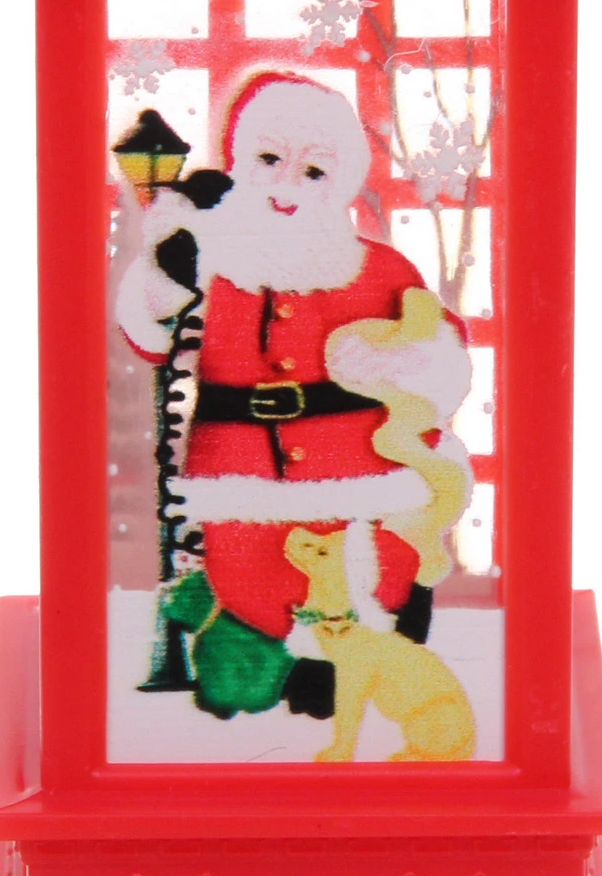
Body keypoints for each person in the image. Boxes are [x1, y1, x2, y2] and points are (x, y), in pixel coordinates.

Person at [116, 72, 471, 719]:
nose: (286, 186)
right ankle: (254, 644)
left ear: (340, 184)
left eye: (313, 172)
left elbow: (440, 354)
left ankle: (351, 654)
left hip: (361, 475)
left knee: (368, 573)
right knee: (246, 592)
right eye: (269, 160)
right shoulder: (209, 264)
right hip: (237, 477)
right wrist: (166, 266)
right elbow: (150, 335)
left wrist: (394, 356)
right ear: (239, 165)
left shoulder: (378, 270)